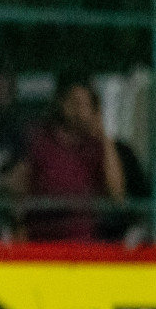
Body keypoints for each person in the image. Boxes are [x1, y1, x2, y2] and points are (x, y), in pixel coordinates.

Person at [14, 77, 125, 242]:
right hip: (41, 240)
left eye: (83, 104)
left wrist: (104, 136)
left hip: (81, 243)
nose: (78, 109)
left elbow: (117, 194)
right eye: (72, 101)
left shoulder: (96, 148)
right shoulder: (40, 141)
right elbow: (19, 189)